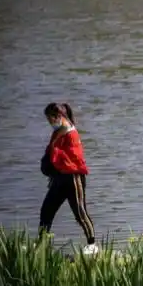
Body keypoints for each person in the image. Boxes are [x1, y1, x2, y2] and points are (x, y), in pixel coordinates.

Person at [39, 103, 99, 256]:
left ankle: (92, 244)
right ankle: (41, 245)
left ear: (58, 117)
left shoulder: (72, 134)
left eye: (50, 119)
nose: (50, 123)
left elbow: (74, 159)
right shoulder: (57, 132)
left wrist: (55, 153)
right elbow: (52, 153)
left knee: (80, 212)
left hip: (73, 178)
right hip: (59, 178)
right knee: (46, 210)